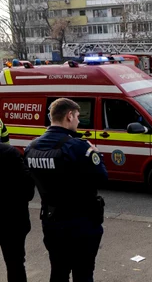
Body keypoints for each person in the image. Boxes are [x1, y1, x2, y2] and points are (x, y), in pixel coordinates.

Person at [24, 98, 108, 282]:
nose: (79, 121)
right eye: (78, 116)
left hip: (51, 222)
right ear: (69, 116)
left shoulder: (31, 147)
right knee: (83, 273)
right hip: (81, 223)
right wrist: (97, 154)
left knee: (58, 271)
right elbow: (102, 177)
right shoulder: (78, 146)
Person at [0, 142, 35, 282]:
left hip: (12, 220)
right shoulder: (9, 153)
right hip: (12, 220)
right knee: (15, 265)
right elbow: (28, 191)